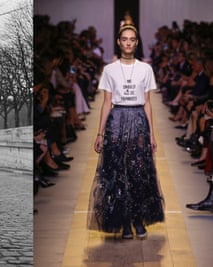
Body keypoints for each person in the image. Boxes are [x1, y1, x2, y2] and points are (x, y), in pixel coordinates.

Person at [87, 24, 165, 239]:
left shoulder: (146, 69)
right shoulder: (110, 70)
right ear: (119, 42)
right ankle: (124, 223)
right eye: (125, 39)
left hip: (138, 119)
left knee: (139, 171)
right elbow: (106, 103)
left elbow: (148, 103)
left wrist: (152, 133)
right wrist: (99, 133)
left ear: (136, 43)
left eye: (132, 39)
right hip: (117, 119)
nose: (128, 42)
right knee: (117, 172)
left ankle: (139, 220)